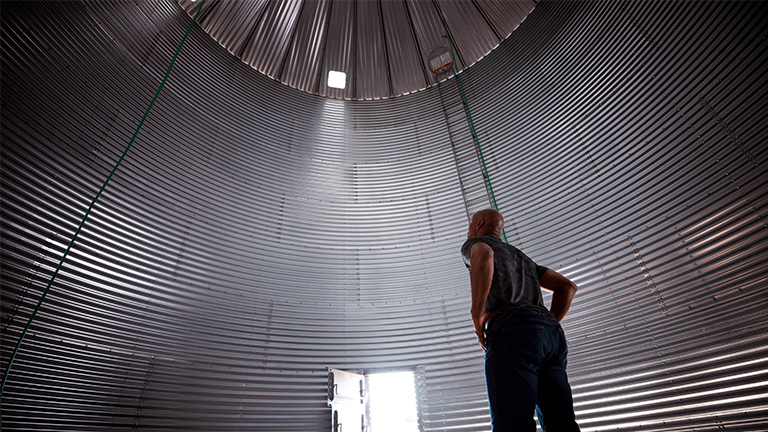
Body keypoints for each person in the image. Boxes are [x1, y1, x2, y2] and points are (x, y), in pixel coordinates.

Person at [461, 209, 580, 431]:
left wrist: (477, 315)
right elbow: (567, 287)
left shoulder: (474, 243)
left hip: (511, 331)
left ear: (479, 223)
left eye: (469, 225)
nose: (468, 230)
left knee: (512, 424)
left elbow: (484, 254)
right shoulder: (523, 258)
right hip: (552, 340)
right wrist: (544, 325)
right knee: (562, 423)